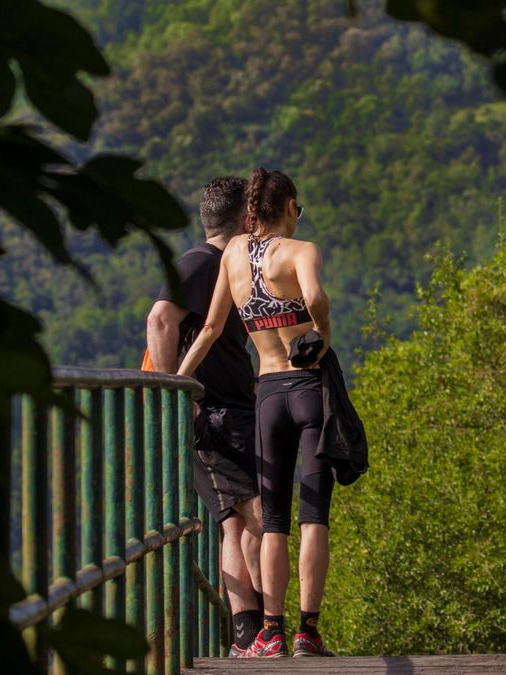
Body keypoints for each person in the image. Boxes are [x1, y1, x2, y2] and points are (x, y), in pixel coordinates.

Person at [178, 167, 336, 658]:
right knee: (313, 515)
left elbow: (208, 328)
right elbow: (312, 297)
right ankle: (308, 633)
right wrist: (321, 335)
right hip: (308, 385)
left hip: (265, 392)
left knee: (273, 521)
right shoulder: (301, 251)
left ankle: (271, 631)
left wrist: (178, 382)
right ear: (289, 206)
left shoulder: (233, 256)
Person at [145, 176, 265, 658]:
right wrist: (180, 390)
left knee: (238, 522)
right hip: (215, 414)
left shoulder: (215, 264)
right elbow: (159, 319)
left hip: (229, 408)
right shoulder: (201, 263)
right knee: (255, 518)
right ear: (245, 219)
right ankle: (254, 635)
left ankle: (253, 634)